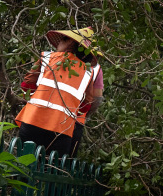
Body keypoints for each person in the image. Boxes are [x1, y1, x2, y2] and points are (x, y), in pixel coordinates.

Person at [15, 28, 103, 157]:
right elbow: (86, 105)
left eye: (62, 40)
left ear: (70, 43)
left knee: (23, 165)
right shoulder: (87, 71)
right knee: (52, 170)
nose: (59, 43)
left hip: (33, 121)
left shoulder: (46, 57)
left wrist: (35, 99)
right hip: (62, 130)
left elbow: (27, 85)